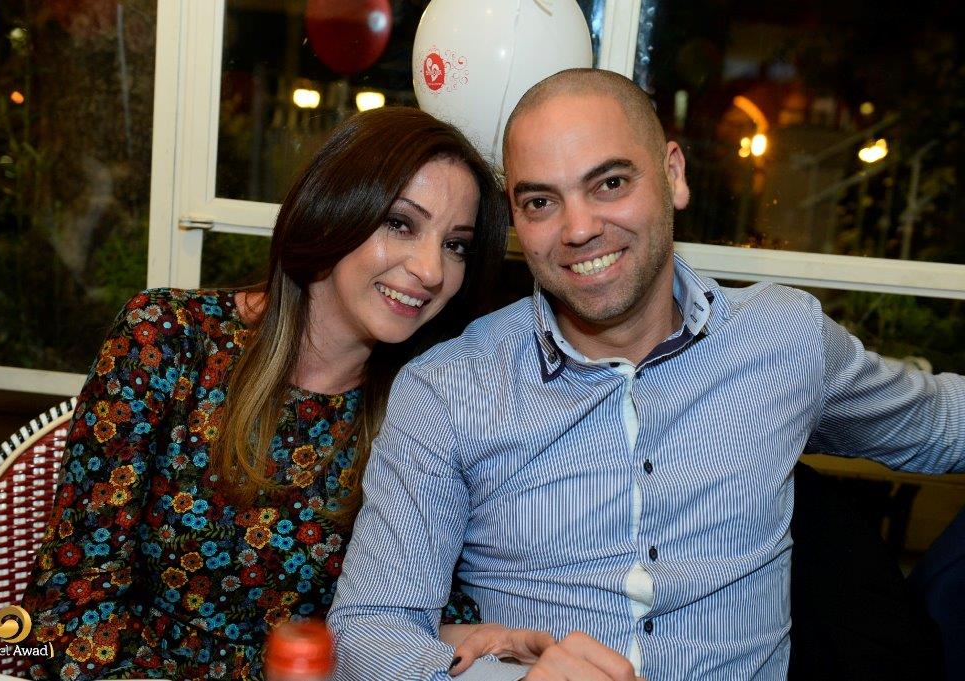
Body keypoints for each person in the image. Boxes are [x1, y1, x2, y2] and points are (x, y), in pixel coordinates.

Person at [327, 68, 965, 680]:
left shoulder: (781, 338)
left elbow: (939, 423)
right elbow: (367, 630)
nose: (579, 229)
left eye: (609, 183)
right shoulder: (447, 391)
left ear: (673, 175)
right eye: (541, 201)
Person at [20, 106, 509, 680]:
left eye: (455, 245)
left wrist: (478, 643)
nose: (431, 270)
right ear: (332, 211)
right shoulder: (166, 338)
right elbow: (72, 602)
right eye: (401, 223)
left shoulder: (429, 403)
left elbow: (408, 617)